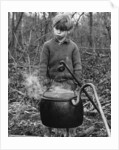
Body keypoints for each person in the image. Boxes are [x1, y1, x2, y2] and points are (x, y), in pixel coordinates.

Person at [40, 13, 82, 91]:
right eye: (56, 28)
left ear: (68, 31)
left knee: (69, 102)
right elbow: (43, 65)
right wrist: (44, 81)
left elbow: (77, 66)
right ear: (53, 28)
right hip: (52, 84)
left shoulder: (73, 47)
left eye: (62, 30)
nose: (58, 32)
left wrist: (76, 82)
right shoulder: (47, 45)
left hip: (69, 84)